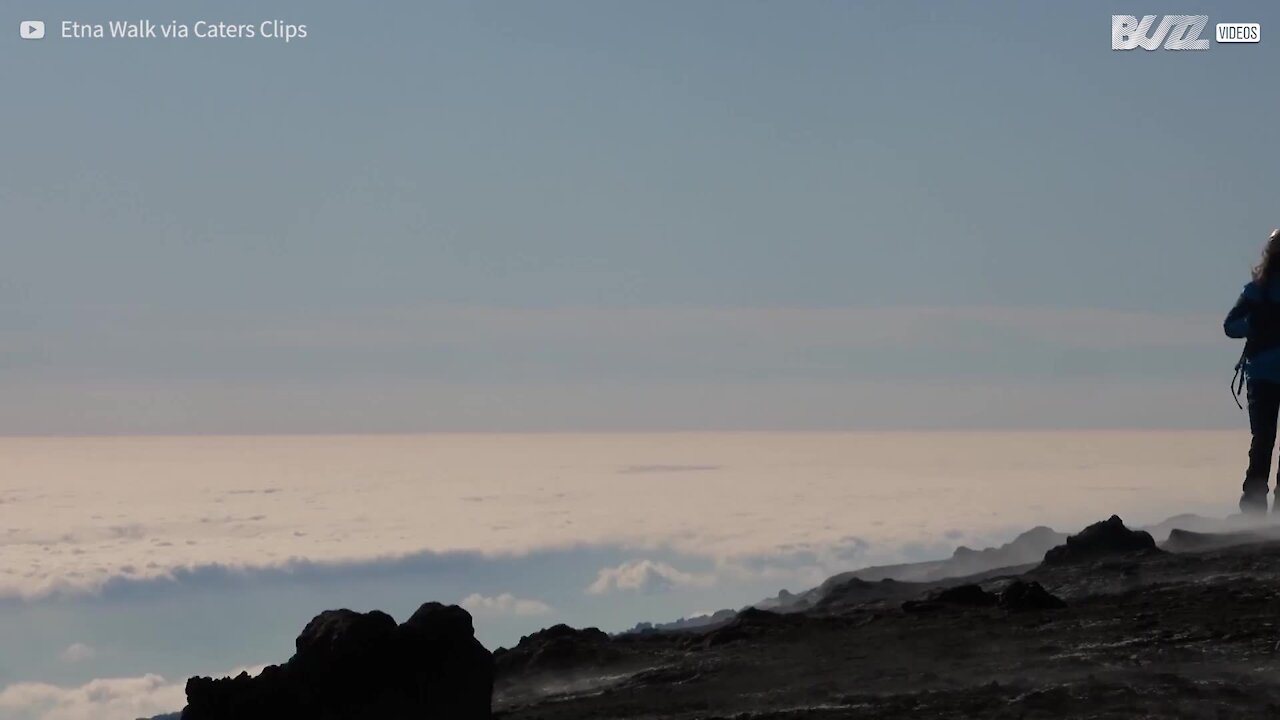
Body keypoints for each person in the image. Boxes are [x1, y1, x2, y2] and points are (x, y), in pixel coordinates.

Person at [1225, 229, 1280, 513]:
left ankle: (1258, 508)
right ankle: (1255, 507)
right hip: (1261, 375)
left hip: (1259, 373)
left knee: (1263, 439)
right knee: (1264, 439)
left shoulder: (1255, 290)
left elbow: (1230, 326)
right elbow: (1230, 326)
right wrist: (1255, 322)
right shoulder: (1255, 291)